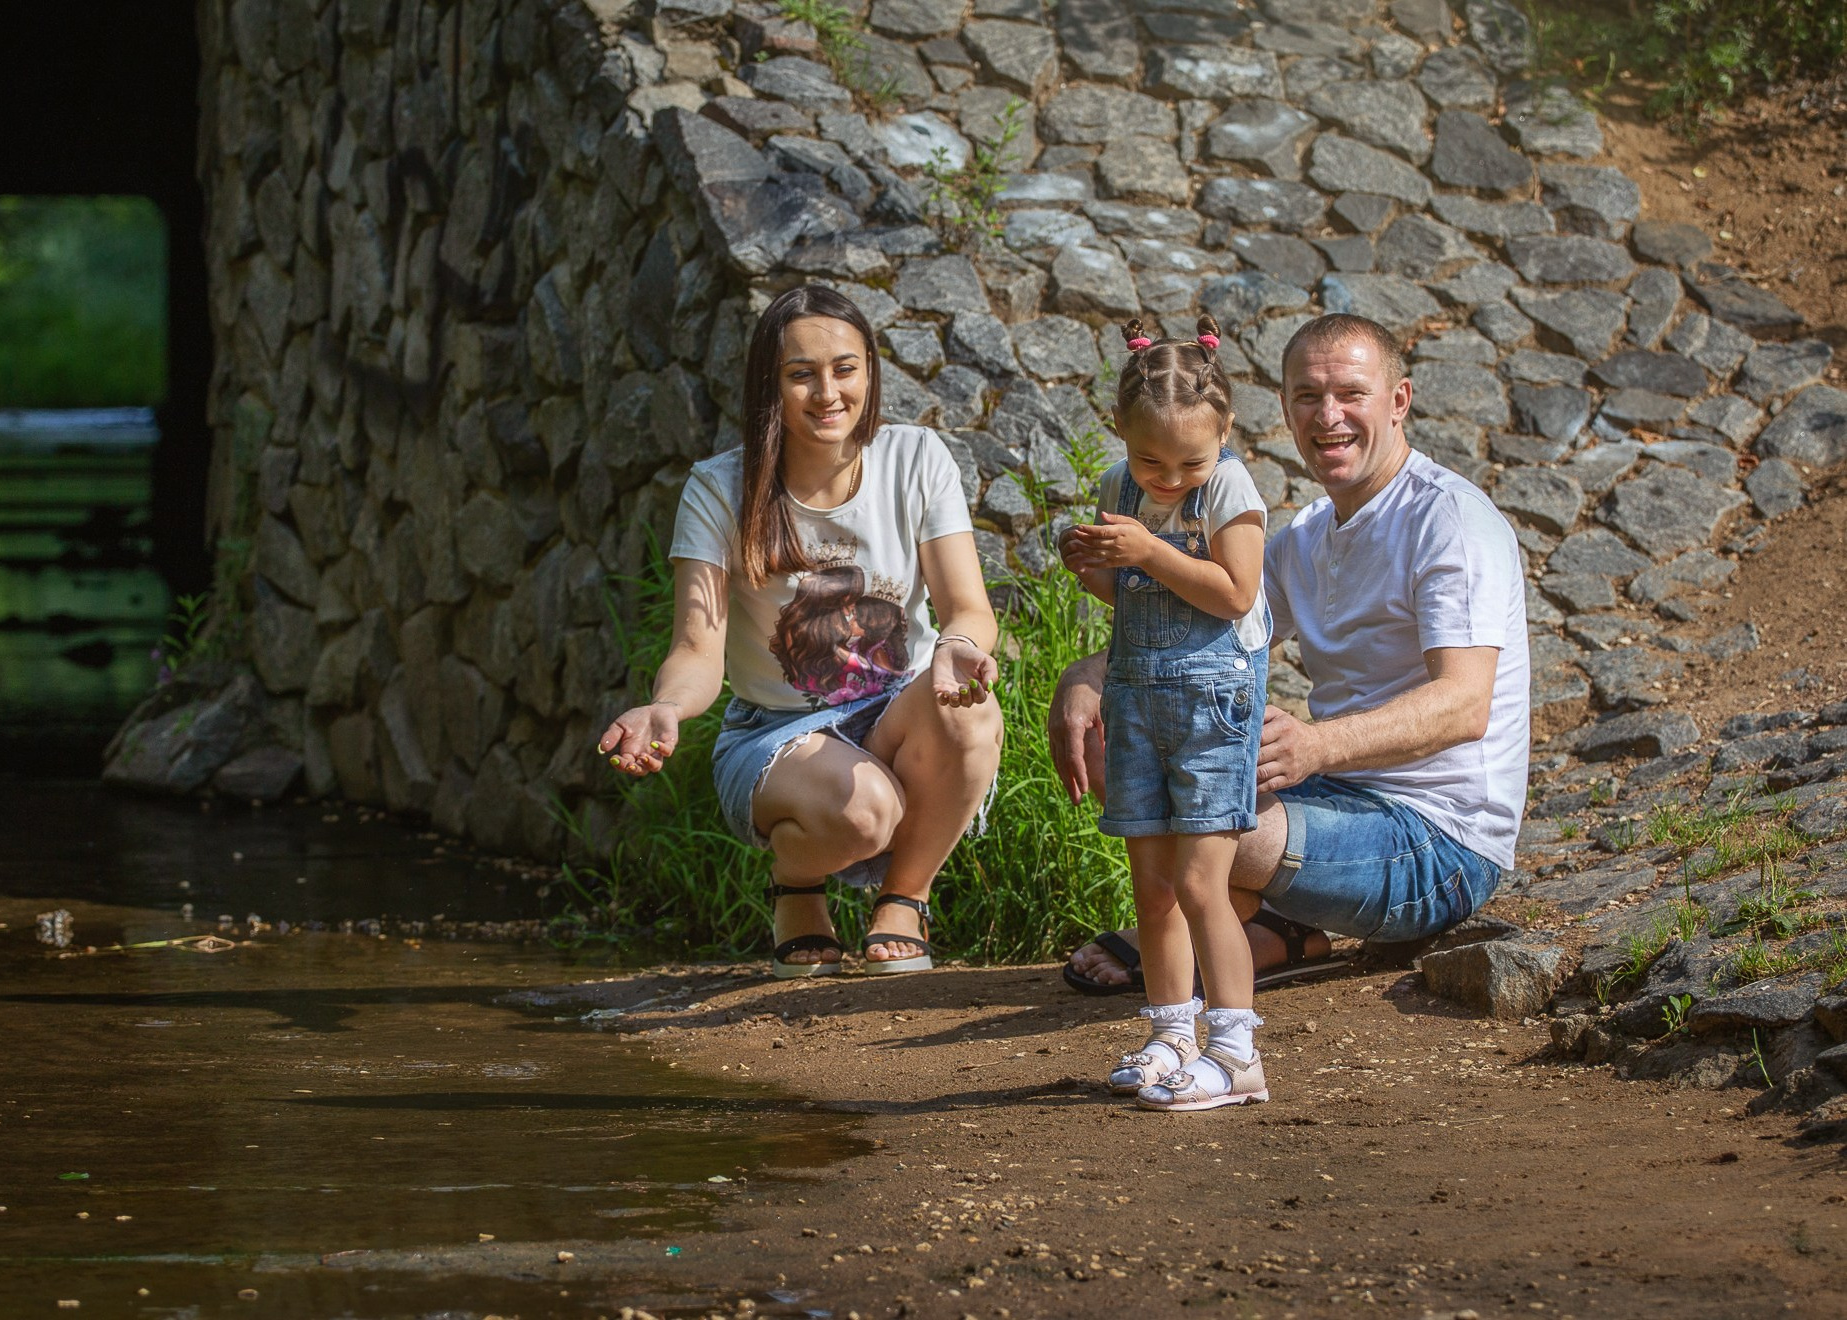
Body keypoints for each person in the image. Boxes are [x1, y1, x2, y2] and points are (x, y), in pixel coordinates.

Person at [1057, 312, 1529, 994]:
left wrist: (1315, 746)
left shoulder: (1448, 521)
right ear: (1283, 407)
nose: (1327, 415)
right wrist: (1084, 678)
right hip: (1334, 796)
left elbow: (1463, 705)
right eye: (1307, 396)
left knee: (1205, 823)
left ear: (1398, 402)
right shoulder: (1306, 534)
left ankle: (1230, 921)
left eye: (1350, 394)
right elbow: (1204, 624)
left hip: (1438, 840)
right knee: (1121, 744)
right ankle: (1272, 927)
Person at [596, 284, 1004, 977]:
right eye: (801, 374)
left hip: (897, 708)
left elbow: (968, 608)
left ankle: (905, 899)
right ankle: (796, 885)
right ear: (770, 385)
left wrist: (957, 649)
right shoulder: (720, 488)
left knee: (971, 715)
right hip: (775, 730)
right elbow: (697, 648)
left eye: (844, 368)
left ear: (869, 373)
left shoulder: (915, 458)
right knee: (863, 811)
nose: (827, 392)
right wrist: (664, 706)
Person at [1060, 314, 1274, 1112]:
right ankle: (1169, 1033)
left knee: (1198, 882)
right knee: (1149, 885)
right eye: (1149, 460)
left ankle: (1235, 1048)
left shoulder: (1228, 488)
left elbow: (1234, 594)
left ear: (1223, 436)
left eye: (1191, 460)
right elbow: (1128, 598)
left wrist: (1151, 549)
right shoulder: (1121, 486)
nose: (1169, 479)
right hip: (1139, 691)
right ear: (1119, 434)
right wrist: (1091, 564)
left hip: (1214, 696)